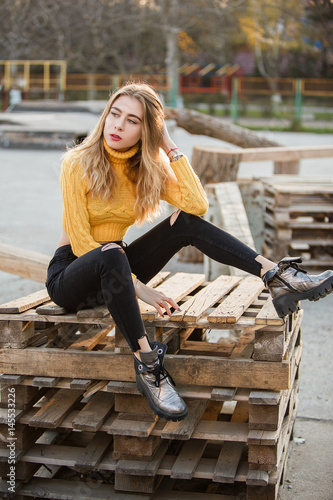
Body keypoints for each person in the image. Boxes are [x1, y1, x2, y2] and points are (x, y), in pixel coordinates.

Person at [46, 82, 333, 422]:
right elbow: (81, 243)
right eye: (115, 114)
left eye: (133, 121)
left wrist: (168, 145)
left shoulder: (146, 167)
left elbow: (197, 205)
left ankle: (275, 275)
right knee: (110, 252)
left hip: (117, 270)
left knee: (183, 223)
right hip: (72, 276)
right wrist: (142, 289)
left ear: (147, 130)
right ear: (105, 116)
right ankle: (149, 366)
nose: (118, 125)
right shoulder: (77, 162)